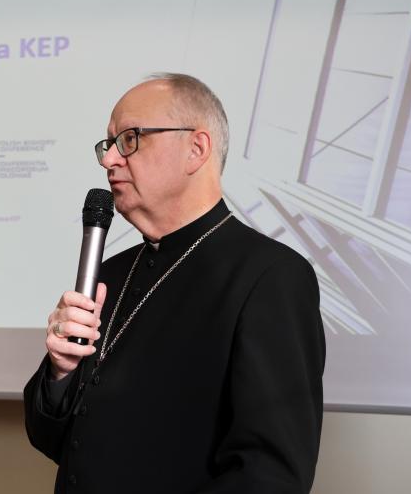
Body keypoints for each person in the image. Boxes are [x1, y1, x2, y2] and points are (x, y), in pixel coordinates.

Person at [24, 73, 325, 493]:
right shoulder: (109, 274)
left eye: (130, 139)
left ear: (196, 149)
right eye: (108, 145)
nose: (109, 160)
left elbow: (270, 475)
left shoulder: (270, 276)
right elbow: (61, 442)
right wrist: (62, 370)